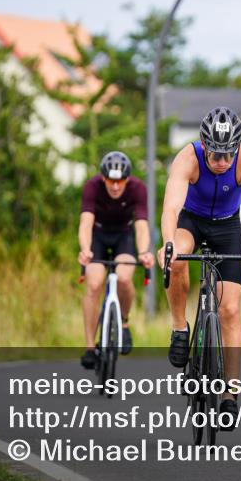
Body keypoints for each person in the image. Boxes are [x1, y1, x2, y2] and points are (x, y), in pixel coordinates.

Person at [157, 106, 241, 426]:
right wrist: (168, 243)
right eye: (216, 154)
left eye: (228, 154)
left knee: (229, 309)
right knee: (176, 258)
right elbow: (171, 207)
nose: (222, 161)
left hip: (227, 227)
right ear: (204, 145)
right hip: (191, 222)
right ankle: (180, 328)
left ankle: (230, 395)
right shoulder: (187, 158)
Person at [77, 151, 154, 369]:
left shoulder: (137, 188)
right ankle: (90, 347)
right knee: (94, 284)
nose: (116, 186)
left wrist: (144, 252)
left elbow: (141, 225)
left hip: (123, 236)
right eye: (111, 181)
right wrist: (85, 250)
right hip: (98, 236)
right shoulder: (92, 187)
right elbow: (85, 223)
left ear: (127, 179)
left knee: (124, 277)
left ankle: (124, 321)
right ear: (103, 177)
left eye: (120, 181)